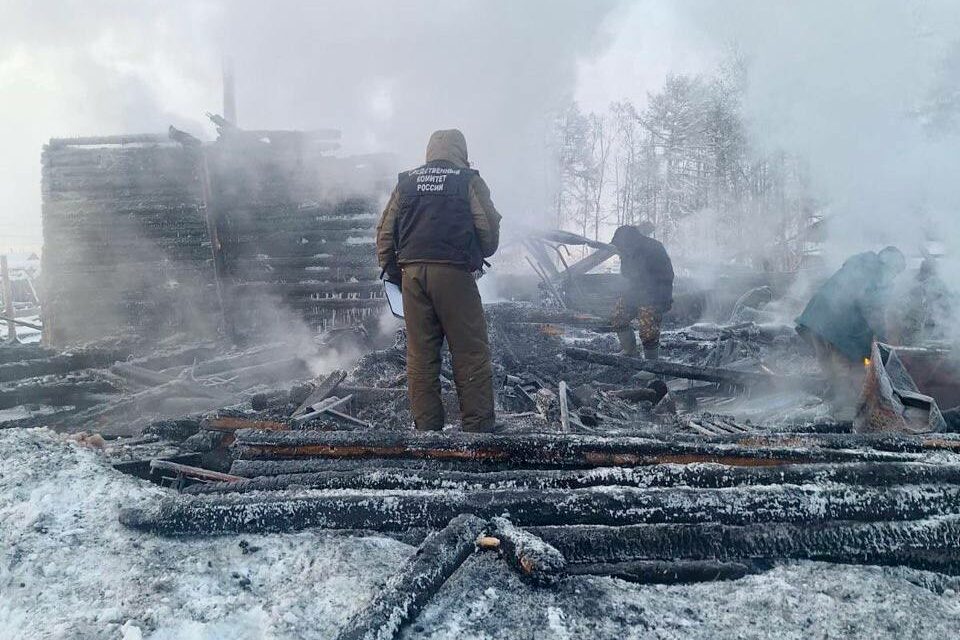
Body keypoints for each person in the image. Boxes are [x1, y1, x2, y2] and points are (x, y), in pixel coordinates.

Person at [375, 129, 501, 432]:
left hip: (412, 277)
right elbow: (488, 229)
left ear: (429, 151)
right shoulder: (467, 179)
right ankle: (477, 428)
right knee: (469, 351)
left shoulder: (406, 183)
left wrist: (395, 272)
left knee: (421, 356)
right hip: (454, 273)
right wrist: (478, 254)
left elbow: (384, 234)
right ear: (461, 150)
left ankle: (427, 430)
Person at [795, 246, 906, 403]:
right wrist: (882, 341)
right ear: (890, 266)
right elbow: (872, 308)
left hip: (815, 320)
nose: (894, 277)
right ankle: (844, 415)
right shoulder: (877, 275)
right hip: (835, 329)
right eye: (896, 272)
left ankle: (828, 409)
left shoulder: (860, 264)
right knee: (843, 374)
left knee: (830, 371)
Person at [609, 223, 674, 360]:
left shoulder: (654, 248)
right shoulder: (628, 251)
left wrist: (660, 299)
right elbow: (627, 274)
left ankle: (651, 365)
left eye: (620, 246)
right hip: (636, 292)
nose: (619, 250)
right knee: (618, 316)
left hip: (656, 295)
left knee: (648, 329)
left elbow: (666, 274)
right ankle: (630, 351)